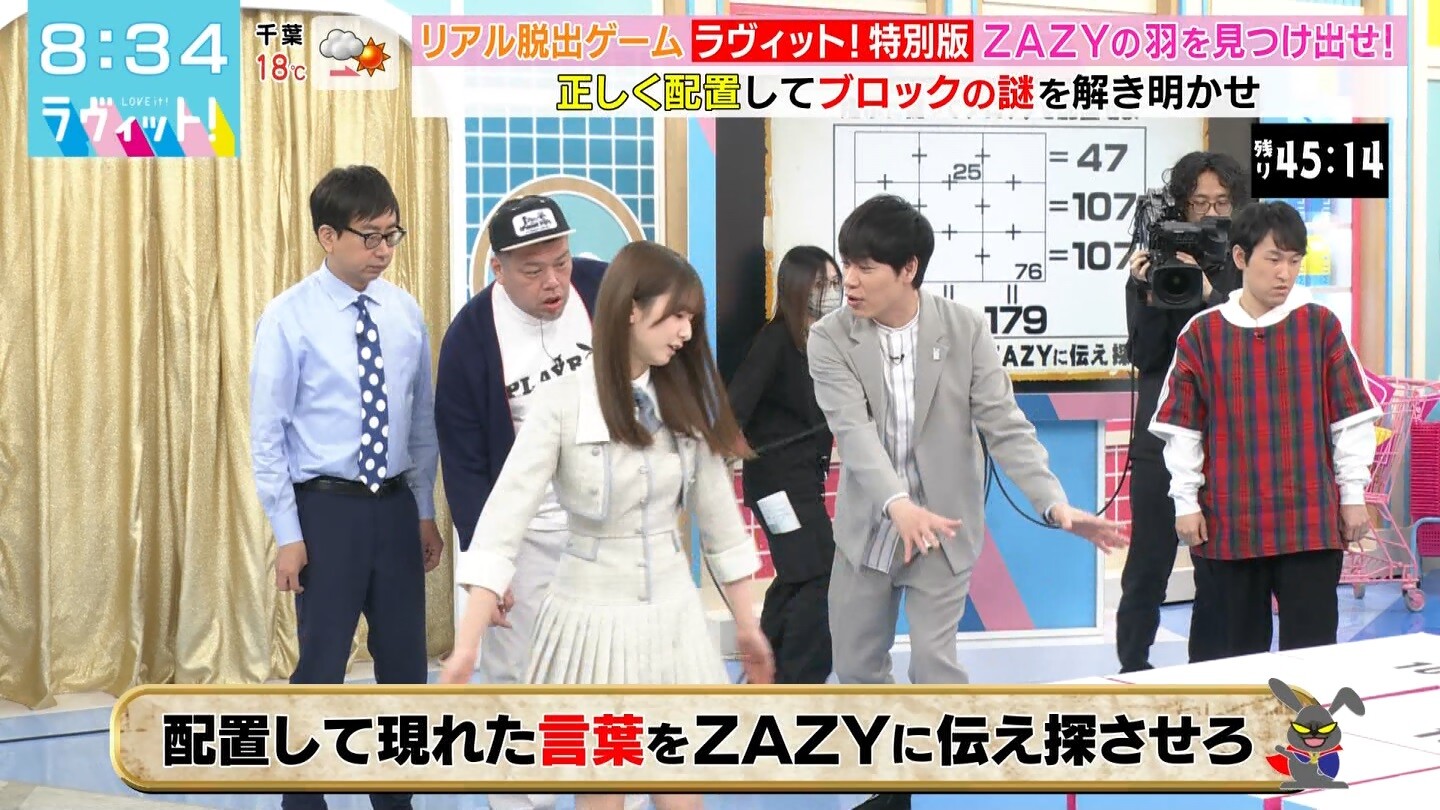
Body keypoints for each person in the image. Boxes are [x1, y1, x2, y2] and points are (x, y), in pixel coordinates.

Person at [808, 194, 1128, 810]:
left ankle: (933, 790)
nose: (850, 280)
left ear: (909, 269)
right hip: (870, 527)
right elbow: (852, 431)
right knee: (857, 666)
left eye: (866, 266)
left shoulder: (963, 329)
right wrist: (897, 503)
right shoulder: (829, 338)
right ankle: (886, 781)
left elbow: (1005, 425)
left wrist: (1055, 504)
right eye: (846, 263)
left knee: (934, 664)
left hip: (944, 525)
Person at [439, 240, 776, 810]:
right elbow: (501, 525)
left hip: (673, 621)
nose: (686, 333)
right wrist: (466, 646)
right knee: (603, 790)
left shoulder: (685, 402)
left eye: (691, 319)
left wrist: (747, 626)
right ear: (630, 310)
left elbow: (722, 524)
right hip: (589, 624)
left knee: (683, 795)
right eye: (674, 316)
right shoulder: (562, 403)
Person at [249, 165, 442, 810]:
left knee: (405, 669)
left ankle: (395, 802)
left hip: (394, 507)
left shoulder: (404, 312)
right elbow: (268, 436)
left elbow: (419, 423)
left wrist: (423, 511)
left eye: (393, 234)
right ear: (328, 236)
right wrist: (288, 535)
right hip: (325, 509)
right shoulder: (289, 317)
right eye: (370, 236)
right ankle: (304, 802)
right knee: (322, 667)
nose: (384, 250)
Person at [434, 194, 614, 810]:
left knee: (613, 670)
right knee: (517, 678)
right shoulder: (469, 338)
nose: (553, 281)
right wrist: (490, 564)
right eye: (533, 271)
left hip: (603, 524)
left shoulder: (603, 288)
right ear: (499, 269)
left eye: (561, 262)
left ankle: (616, 795)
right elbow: (463, 463)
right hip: (526, 534)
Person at [1150, 200, 1380, 660]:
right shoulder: (1202, 333)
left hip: (1309, 520)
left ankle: (1306, 713)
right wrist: (1185, 502)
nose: (1285, 274)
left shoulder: (1320, 326)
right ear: (1240, 257)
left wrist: (1353, 495)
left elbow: (1350, 419)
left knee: (1313, 656)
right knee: (1225, 656)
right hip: (1228, 521)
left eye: (1294, 261)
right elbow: (1183, 431)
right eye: (1273, 259)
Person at [1120, 151, 1247, 672]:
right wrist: (1146, 291)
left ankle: (1208, 671)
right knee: (1147, 563)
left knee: (1215, 568)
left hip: (1224, 439)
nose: (1211, 213)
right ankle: (1132, 667)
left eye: (1221, 202)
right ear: (1181, 206)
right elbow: (1146, 357)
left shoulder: (1242, 266)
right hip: (1160, 434)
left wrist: (1211, 292)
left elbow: (1244, 347)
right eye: (1200, 203)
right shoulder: (1154, 265)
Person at [727, 245, 843, 684]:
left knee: (798, 574)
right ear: (797, 288)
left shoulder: (822, 344)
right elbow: (733, 409)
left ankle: (768, 674)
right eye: (821, 284)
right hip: (777, 486)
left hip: (803, 482)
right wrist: (744, 449)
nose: (831, 292)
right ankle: (798, 679)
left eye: (835, 282)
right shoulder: (775, 341)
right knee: (822, 572)